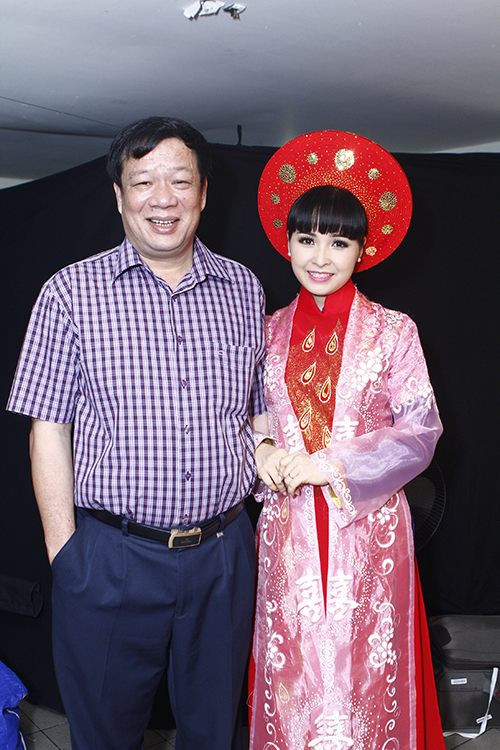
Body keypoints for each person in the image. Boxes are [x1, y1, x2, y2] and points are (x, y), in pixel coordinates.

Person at [7, 116, 268, 750]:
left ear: (203, 193)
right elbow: (47, 428)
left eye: (180, 180)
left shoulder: (244, 290)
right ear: (119, 195)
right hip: (111, 556)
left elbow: (259, 414)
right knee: (105, 733)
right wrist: (65, 554)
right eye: (143, 181)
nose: (163, 198)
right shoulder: (69, 293)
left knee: (215, 730)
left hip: (224, 554)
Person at [250, 130, 445, 748]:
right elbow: (245, 415)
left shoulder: (393, 331)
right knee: (293, 673)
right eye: (307, 239)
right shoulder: (264, 330)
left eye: (339, 242)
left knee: (366, 675)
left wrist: (327, 465)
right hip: (287, 528)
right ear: (286, 242)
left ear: (363, 249)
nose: (321, 257)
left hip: (367, 528)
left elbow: (420, 431)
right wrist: (261, 449)